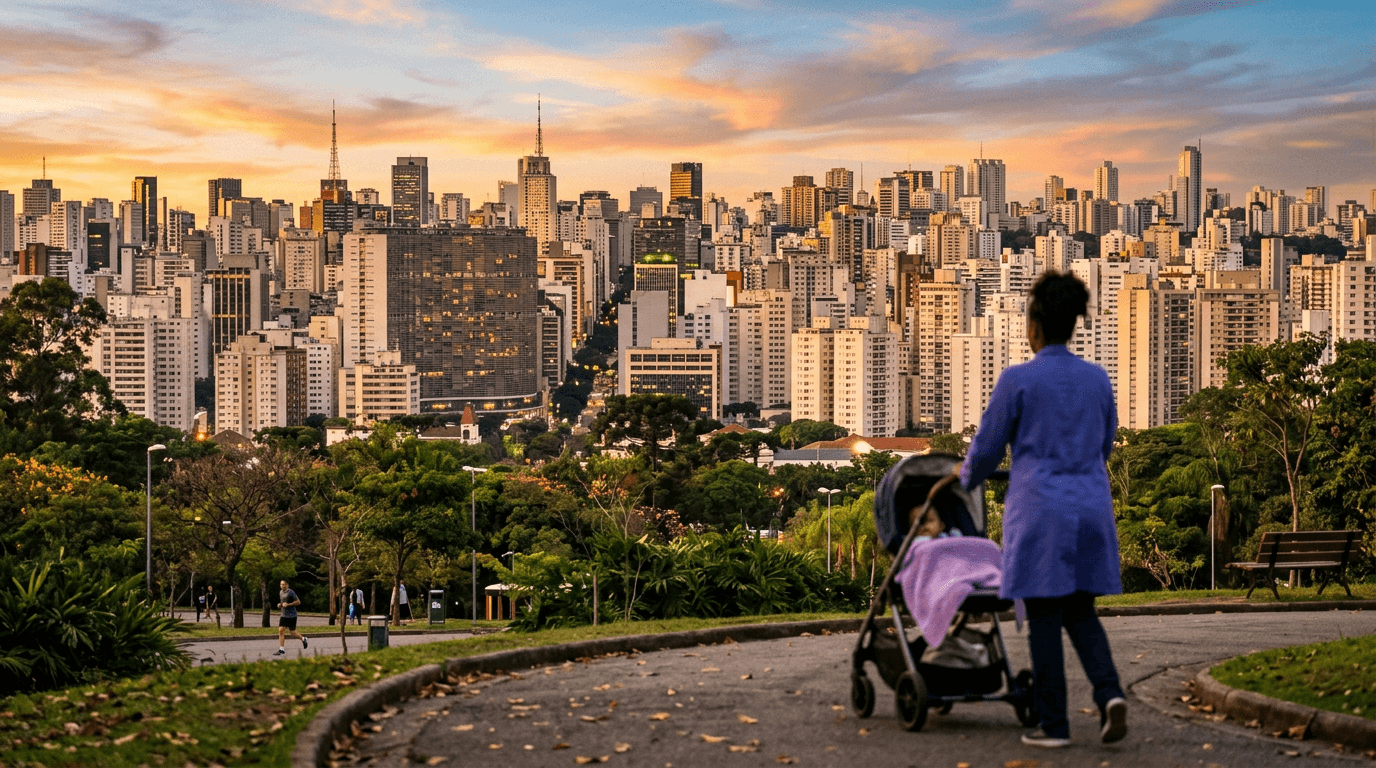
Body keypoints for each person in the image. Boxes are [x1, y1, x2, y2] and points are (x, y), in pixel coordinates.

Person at [959, 271, 1128, 749]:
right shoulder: (1096, 378)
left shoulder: (1019, 379)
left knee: (1044, 616)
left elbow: (988, 447)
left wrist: (965, 477)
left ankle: (1053, 725)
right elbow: (1105, 443)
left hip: (1040, 510)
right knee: (1081, 611)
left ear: (1033, 327)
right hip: (1091, 505)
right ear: (1073, 325)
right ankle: (1110, 694)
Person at [273, 579, 308, 655]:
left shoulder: (291, 592)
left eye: (284, 584)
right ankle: (281, 649)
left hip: (292, 615)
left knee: (292, 633)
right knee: (281, 630)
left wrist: (289, 605)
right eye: (281, 584)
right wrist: (280, 605)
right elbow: (283, 602)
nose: (282, 586)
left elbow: (298, 602)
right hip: (283, 615)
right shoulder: (281, 592)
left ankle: (303, 639)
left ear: (287, 585)